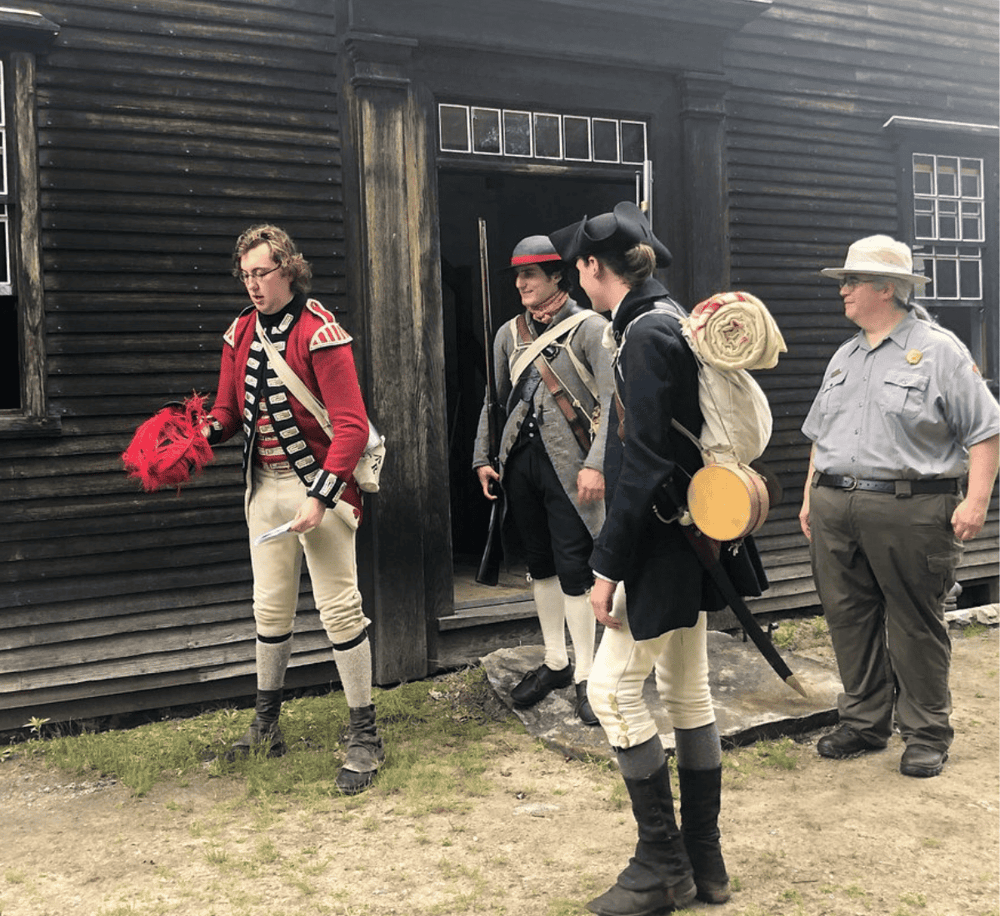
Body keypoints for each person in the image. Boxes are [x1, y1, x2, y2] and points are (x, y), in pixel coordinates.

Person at [549, 202, 768, 914]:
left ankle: (662, 867)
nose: (574, 277)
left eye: (576, 267)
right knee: (686, 692)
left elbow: (642, 463)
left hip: (658, 543)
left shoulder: (644, 334)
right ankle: (705, 862)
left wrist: (606, 566)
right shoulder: (667, 318)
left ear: (593, 266)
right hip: (689, 538)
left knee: (611, 694)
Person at [799, 235, 999, 779]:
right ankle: (865, 723)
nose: (843, 290)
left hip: (911, 510)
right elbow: (821, 433)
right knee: (848, 617)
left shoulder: (939, 351)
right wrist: (811, 495)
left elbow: (986, 430)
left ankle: (926, 734)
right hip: (835, 506)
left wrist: (976, 501)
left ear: (887, 288)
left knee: (914, 623)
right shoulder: (845, 355)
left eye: (852, 281)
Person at [202, 224, 384, 794]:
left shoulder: (320, 332)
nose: (253, 285)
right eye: (246, 275)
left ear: (289, 269)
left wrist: (321, 496)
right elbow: (228, 411)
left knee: (341, 610)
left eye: (262, 273)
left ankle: (366, 735)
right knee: (270, 609)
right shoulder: (239, 331)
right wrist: (200, 435)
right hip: (265, 487)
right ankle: (266, 726)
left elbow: (352, 427)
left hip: (321, 487)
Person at [472, 235, 615, 725]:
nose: (521, 283)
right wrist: (483, 456)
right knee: (541, 564)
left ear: (557, 276)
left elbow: (613, 403)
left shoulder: (591, 328)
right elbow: (493, 399)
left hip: (572, 466)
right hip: (520, 463)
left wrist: (597, 464)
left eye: (530, 274)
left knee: (575, 567)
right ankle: (556, 661)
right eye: (517, 275)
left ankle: (587, 674)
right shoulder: (508, 334)